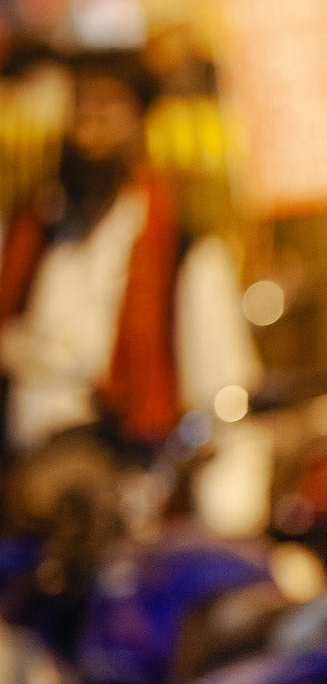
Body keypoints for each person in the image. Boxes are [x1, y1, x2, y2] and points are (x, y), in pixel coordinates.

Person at [0, 47, 257, 455]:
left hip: (126, 464)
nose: (90, 126)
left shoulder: (184, 248)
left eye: (107, 106)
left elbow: (221, 398)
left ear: (140, 121)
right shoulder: (32, 233)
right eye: (80, 105)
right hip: (25, 463)